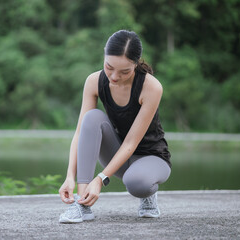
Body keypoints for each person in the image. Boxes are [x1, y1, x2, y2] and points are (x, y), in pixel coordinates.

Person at [58, 30, 171, 223]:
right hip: (119, 157)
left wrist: (101, 178)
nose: (114, 76)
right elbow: (80, 132)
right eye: (109, 67)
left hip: (152, 157)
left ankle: (149, 196)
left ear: (136, 64)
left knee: (136, 183)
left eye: (124, 71)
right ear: (104, 56)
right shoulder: (94, 81)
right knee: (92, 118)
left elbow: (130, 143)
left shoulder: (151, 87)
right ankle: (82, 205)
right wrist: (70, 175)